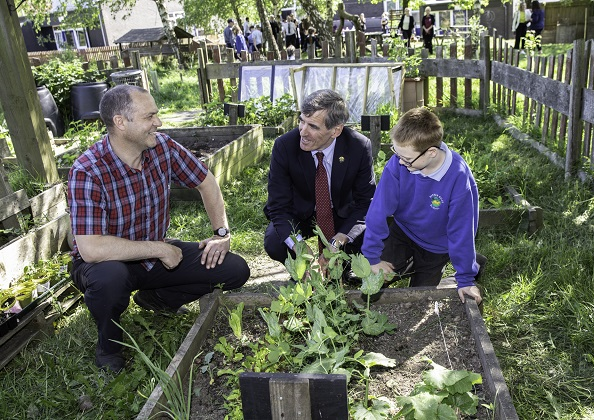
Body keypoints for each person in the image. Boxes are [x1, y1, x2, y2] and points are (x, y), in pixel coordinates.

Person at [67, 85, 250, 372]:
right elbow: (91, 249)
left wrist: (221, 233)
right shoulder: (87, 170)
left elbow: (206, 181)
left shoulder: (161, 146)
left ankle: (156, 299)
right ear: (120, 122)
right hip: (105, 263)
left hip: (154, 257)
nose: (159, 122)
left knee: (235, 269)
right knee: (110, 277)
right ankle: (109, 348)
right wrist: (159, 248)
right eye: (149, 116)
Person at [361, 107, 483, 305]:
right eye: (396, 153)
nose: (400, 161)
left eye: (407, 158)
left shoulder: (458, 178)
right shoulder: (398, 164)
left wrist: (466, 279)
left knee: (418, 299)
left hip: (437, 246)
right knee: (370, 286)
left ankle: (473, 263)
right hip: (404, 231)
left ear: (431, 152)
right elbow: (378, 210)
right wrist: (373, 258)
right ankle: (405, 264)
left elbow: (461, 231)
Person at [263, 89, 376, 269]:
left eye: (313, 127)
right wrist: (299, 247)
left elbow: (366, 202)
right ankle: (301, 270)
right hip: (301, 214)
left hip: (341, 213)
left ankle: (344, 269)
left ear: (336, 130)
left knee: (369, 235)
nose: (303, 132)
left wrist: (341, 238)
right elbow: (278, 206)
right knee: (275, 242)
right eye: (302, 121)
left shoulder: (358, 147)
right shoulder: (284, 146)